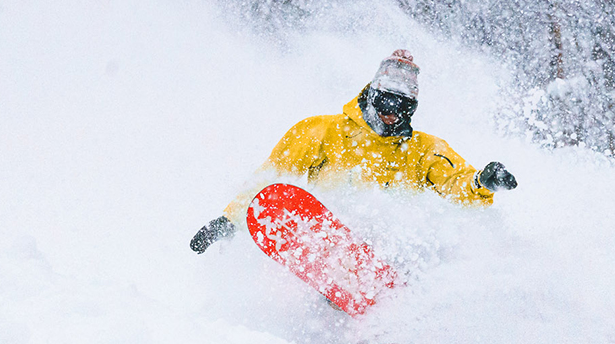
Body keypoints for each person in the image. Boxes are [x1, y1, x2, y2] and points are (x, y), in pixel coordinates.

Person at [190, 49, 517, 253]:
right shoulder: (321, 131)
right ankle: (328, 282)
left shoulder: (423, 150)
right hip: (322, 242)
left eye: (402, 106)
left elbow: (455, 181)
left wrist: (482, 182)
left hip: (388, 252)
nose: (392, 113)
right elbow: (271, 177)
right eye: (387, 102)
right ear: (372, 95)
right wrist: (229, 221)